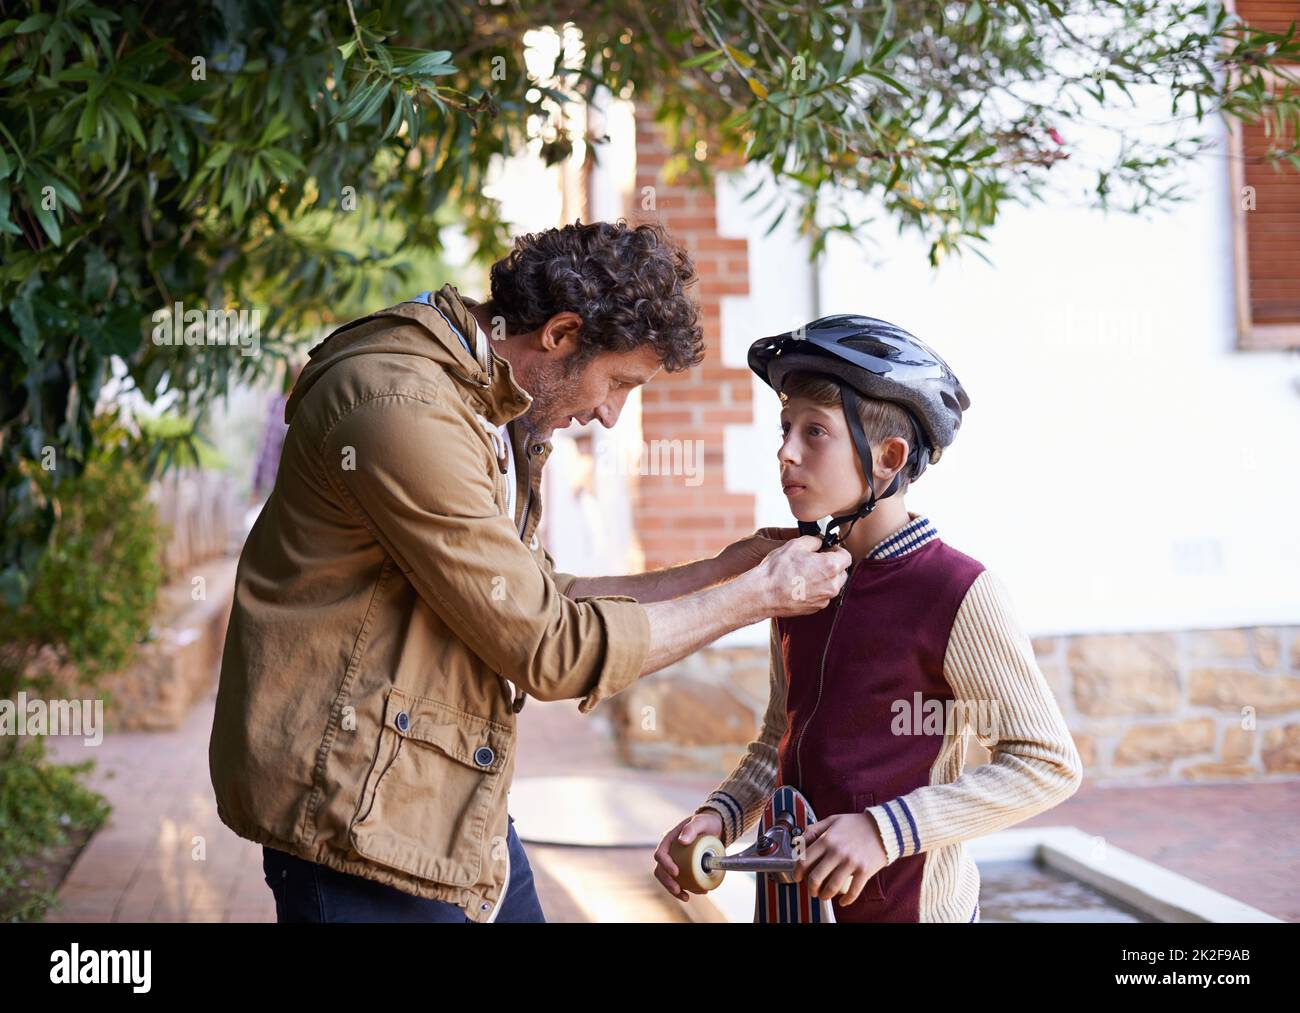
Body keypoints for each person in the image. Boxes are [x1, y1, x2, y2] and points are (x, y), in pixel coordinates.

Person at [209, 220, 852, 923]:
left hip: (445, 798)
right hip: (355, 817)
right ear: (559, 334)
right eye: (619, 383)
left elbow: (542, 597)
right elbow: (549, 648)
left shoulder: (486, 407)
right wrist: (758, 595)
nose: (610, 415)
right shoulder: (401, 408)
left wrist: (722, 570)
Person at [654, 313, 1083, 922]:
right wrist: (721, 816)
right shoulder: (801, 581)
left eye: (815, 432)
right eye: (785, 428)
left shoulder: (956, 590)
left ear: (888, 456)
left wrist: (886, 830)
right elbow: (782, 738)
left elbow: (1046, 762)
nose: (785, 452)